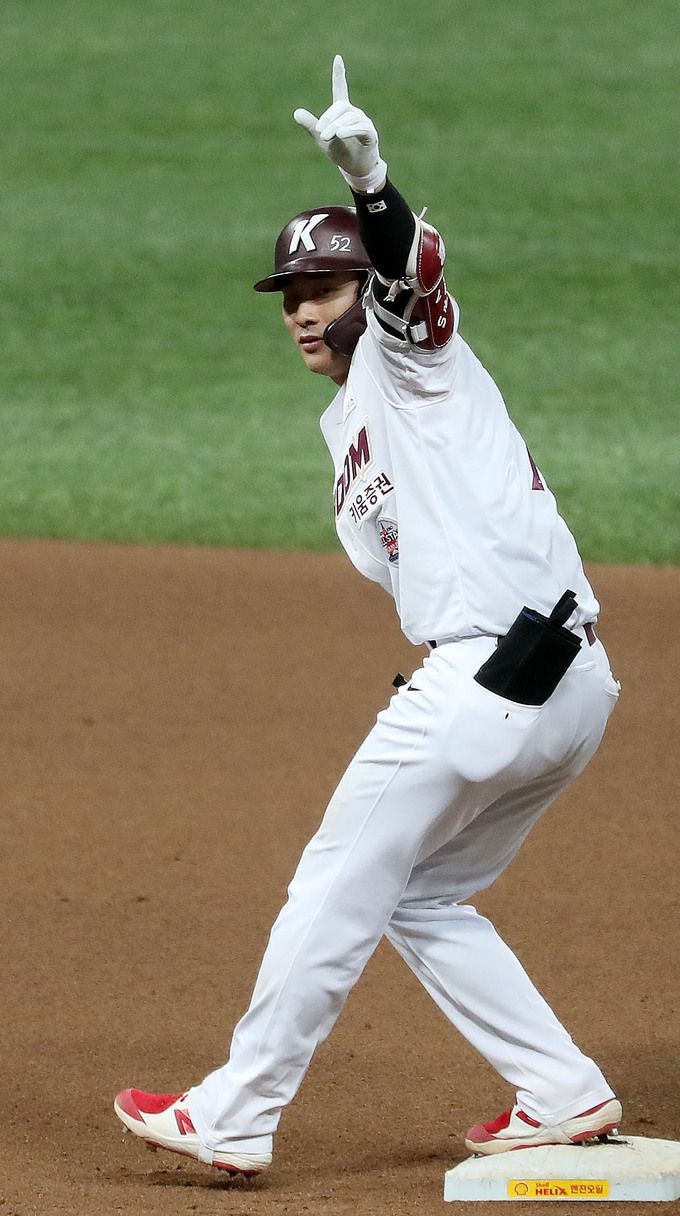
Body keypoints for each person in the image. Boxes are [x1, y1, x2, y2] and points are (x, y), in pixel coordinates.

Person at [114, 55, 623, 1178]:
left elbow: (416, 283)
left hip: (494, 674)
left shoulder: (412, 362)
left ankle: (237, 1111)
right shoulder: (349, 422)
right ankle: (562, 1091)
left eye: (326, 289)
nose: (304, 311)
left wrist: (372, 186)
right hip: (561, 684)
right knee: (421, 892)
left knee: (336, 878)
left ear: (364, 298)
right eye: (290, 296)